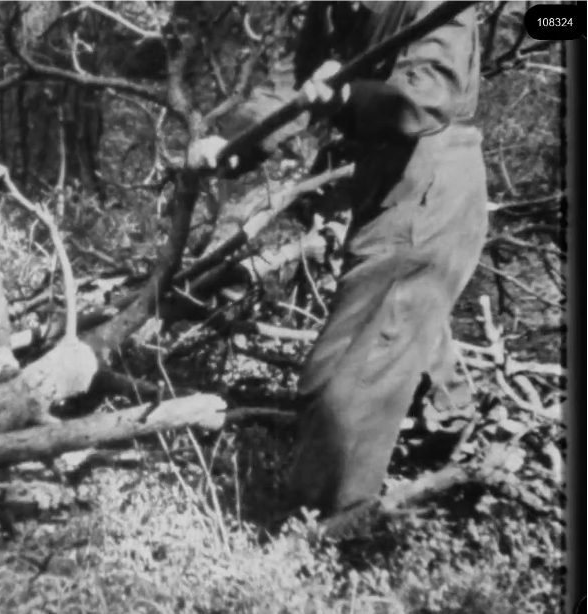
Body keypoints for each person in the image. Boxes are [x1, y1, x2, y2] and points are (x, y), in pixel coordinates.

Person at [188, 0, 488, 525]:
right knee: (395, 342)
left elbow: (429, 94)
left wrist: (348, 96)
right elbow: (300, 82)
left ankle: (326, 541)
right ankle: (466, 473)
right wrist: (237, 142)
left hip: (431, 190)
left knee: (343, 383)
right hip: (383, 187)